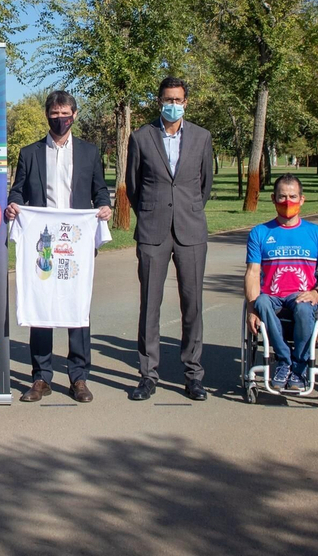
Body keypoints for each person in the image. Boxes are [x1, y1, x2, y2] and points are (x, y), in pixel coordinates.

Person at [5, 89, 112, 403]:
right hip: (42, 244)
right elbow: (18, 192)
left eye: (65, 114)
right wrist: (13, 206)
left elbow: (100, 191)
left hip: (75, 243)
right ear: (47, 116)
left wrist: (104, 207)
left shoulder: (90, 153)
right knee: (42, 308)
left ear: (74, 115)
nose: (60, 119)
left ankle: (78, 378)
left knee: (76, 306)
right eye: (54, 114)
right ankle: (41, 378)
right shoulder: (30, 153)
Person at [124, 77, 215, 402]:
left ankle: (193, 375)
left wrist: (187, 210)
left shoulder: (202, 138)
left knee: (192, 305)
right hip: (153, 231)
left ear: (186, 102)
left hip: (191, 231)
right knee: (150, 305)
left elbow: (204, 185)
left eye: (178, 99)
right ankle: (148, 375)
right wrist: (151, 212)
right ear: (158, 101)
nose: (172, 104)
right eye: (167, 99)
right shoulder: (141, 137)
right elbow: (133, 186)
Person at [245, 175, 318, 392]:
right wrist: (251, 308)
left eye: (293, 197)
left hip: (303, 296)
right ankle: (284, 362)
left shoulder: (316, 234)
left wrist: (316, 292)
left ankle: (299, 367)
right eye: (282, 197)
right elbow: (252, 273)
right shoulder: (260, 233)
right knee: (262, 302)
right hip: (272, 297)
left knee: (305, 308)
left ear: (302, 199)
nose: (288, 202)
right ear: (273, 199)